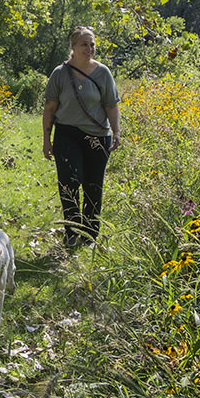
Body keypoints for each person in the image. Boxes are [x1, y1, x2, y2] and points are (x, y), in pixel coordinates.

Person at [42, 26, 121, 247]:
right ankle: (71, 230)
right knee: (69, 181)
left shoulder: (103, 73)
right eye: (84, 44)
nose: (89, 48)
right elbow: (49, 108)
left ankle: (90, 235)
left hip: (98, 136)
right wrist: (46, 140)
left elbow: (111, 106)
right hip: (67, 133)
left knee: (94, 185)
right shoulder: (59, 73)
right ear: (73, 47)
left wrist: (116, 132)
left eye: (92, 44)